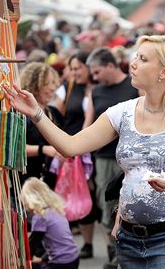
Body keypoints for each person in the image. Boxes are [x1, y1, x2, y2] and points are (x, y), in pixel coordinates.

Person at [5, 35, 165, 268]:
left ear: (164, 72)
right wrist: (36, 113)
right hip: (128, 239)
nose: (133, 64)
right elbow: (70, 146)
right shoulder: (123, 113)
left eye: (142, 59)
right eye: (135, 57)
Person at [85, 47, 139, 269]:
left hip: (130, 158)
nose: (95, 77)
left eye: (97, 72)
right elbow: (88, 125)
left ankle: (125, 254)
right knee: (105, 206)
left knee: (128, 205)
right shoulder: (96, 91)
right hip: (104, 157)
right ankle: (113, 254)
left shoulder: (133, 87)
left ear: (110, 65)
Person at [55, 51, 100, 260]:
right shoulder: (66, 89)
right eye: (71, 69)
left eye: (78, 68)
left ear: (88, 67)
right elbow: (54, 112)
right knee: (77, 193)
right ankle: (83, 243)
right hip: (72, 150)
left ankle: (96, 241)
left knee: (93, 193)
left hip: (95, 149)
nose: (74, 72)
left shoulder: (97, 90)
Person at [21, 62, 64, 189]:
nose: (53, 88)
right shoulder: (22, 114)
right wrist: (44, 150)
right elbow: (15, 149)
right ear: (34, 84)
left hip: (52, 182)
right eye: (47, 83)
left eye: (54, 82)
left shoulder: (54, 113)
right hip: (28, 182)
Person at [21, 177, 79, 269]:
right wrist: (43, 259)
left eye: (25, 204)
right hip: (73, 257)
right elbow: (58, 242)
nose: (26, 208)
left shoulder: (40, 217)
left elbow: (32, 244)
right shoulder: (55, 210)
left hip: (60, 263)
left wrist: (22, 259)